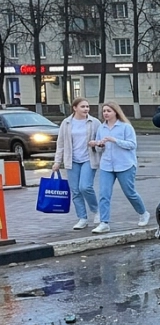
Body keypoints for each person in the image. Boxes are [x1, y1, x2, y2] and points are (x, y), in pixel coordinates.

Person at [90, 101, 150, 234]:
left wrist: (115, 140)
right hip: (106, 165)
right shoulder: (102, 128)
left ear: (115, 112)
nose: (106, 113)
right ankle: (104, 222)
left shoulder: (125, 127)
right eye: (104, 111)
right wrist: (98, 145)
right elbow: (100, 149)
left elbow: (132, 145)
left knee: (130, 192)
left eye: (108, 111)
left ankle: (143, 213)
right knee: (104, 194)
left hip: (125, 165)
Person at [51, 97, 100, 229]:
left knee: (85, 187)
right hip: (72, 160)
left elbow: (101, 140)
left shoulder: (94, 122)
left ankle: (96, 211)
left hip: (88, 159)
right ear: (75, 108)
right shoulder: (66, 123)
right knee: (76, 191)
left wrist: (97, 144)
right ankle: (82, 218)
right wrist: (57, 161)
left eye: (87, 107)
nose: (86, 109)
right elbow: (60, 144)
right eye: (83, 107)